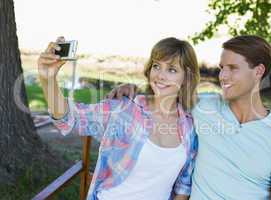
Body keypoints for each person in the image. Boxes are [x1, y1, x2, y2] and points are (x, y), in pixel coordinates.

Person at [108, 35, 271, 200]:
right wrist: (131, 89)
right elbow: (165, 93)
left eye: (233, 68)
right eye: (221, 67)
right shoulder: (202, 107)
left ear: (258, 71)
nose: (223, 76)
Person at [38, 37, 200, 200]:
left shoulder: (190, 126)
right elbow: (68, 118)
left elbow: (183, 186)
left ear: (187, 77)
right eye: (156, 66)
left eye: (172, 70)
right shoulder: (125, 108)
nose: (160, 76)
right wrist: (48, 79)